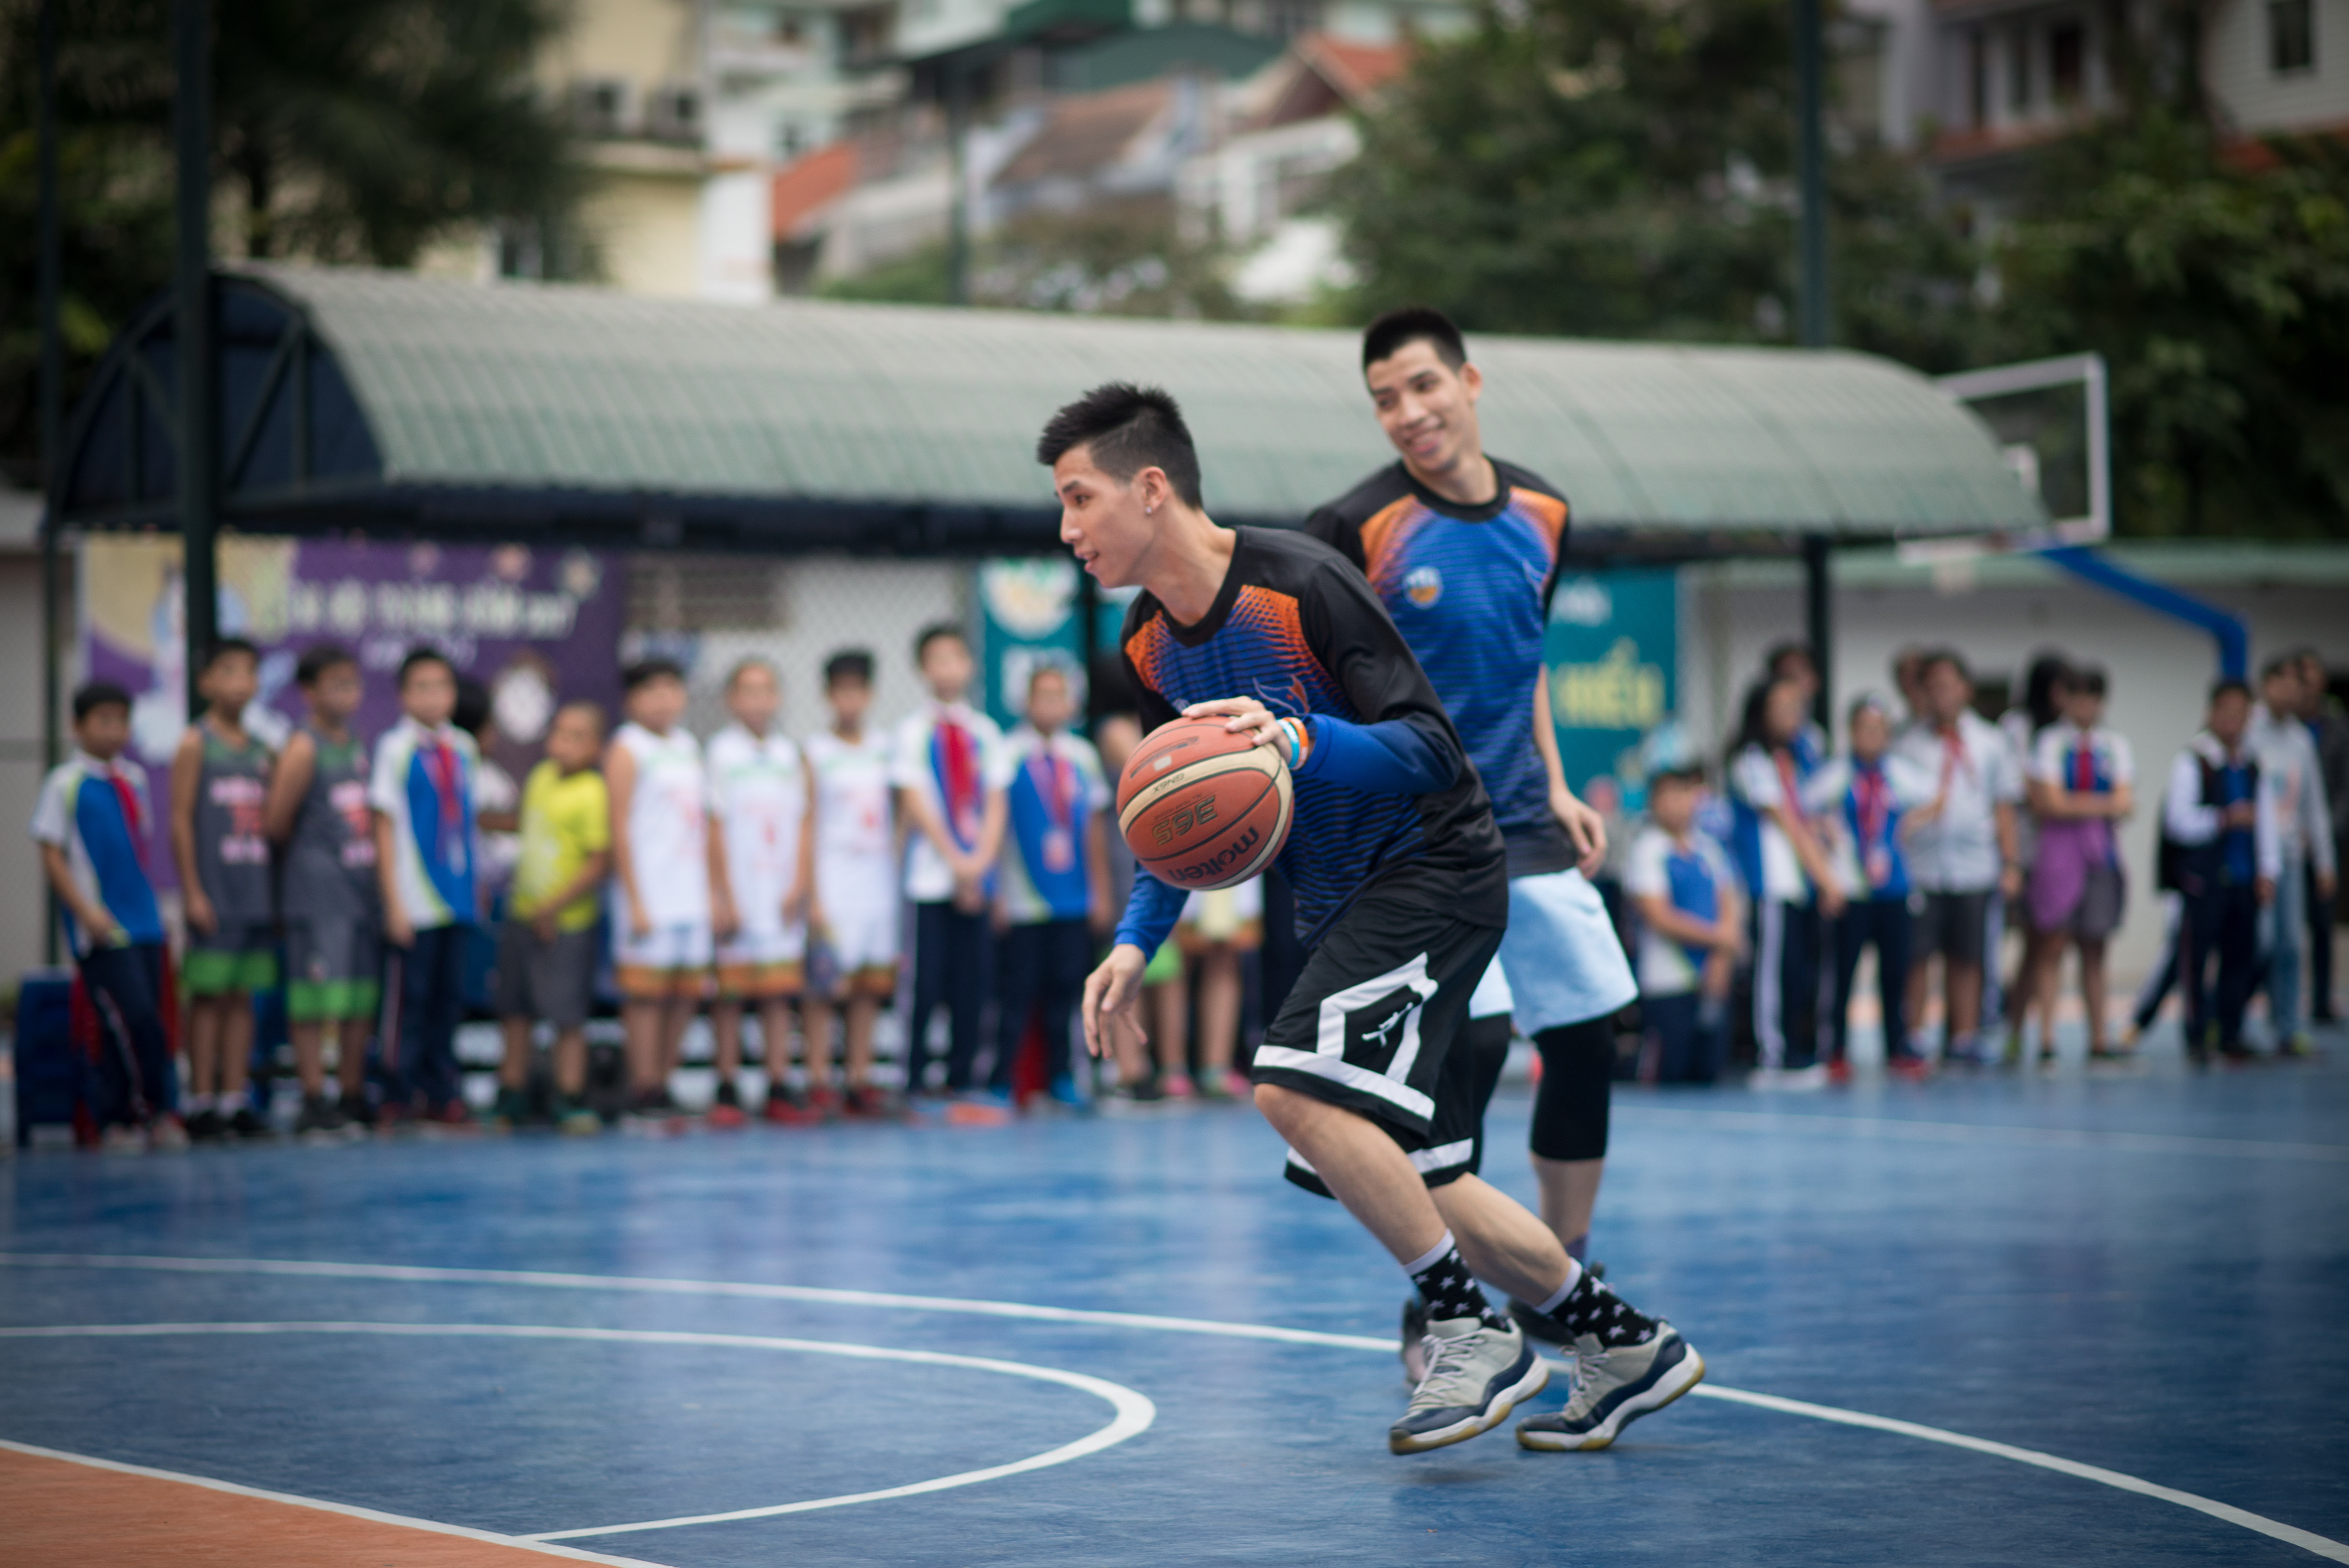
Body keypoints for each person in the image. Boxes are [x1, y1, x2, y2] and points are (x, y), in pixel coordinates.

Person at [1048, 381, 1699, 1457]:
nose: (1067, 530)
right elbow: (1176, 814)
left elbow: (1430, 752)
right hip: (1347, 896)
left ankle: (1463, 1326)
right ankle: (1623, 1342)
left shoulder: (1302, 585)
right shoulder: (1149, 643)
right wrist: (1133, 938)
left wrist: (1299, 740)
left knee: (1285, 1088)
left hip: (1433, 867)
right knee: (1426, 1170)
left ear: (1149, 488)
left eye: (1079, 500)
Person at [1305, 306, 1646, 1322]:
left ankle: (1559, 1274)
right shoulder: (1354, 526)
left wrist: (1553, 781)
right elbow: (1324, 689)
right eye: (1384, 400)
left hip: (1525, 823)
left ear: (1469, 383)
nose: (1407, 413)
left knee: (1586, 1034)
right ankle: (1442, 1301)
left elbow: (1523, 655)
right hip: (1419, 835)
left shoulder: (1543, 507)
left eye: (1422, 387)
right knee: (1476, 1048)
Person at [33, 683, 186, 1151]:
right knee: (125, 1020)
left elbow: (136, 853)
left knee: (153, 1021)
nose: (114, 730)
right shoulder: (64, 783)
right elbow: (52, 853)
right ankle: (120, 1116)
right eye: (103, 720)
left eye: (122, 720)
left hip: (146, 924)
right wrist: (86, 912)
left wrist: (158, 912)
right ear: (77, 727)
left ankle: (158, 1113)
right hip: (103, 929)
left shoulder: (135, 779)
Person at [891, 623, 1012, 1105]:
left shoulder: (984, 732)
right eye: (936, 660)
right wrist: (956, 861)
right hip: (930, 878)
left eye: (955, 658)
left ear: (968, 665)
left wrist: (979, 862)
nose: (946, 669)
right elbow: (916, 800)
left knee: (972, 982)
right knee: (926, 982)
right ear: (923, 669)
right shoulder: (912, 732)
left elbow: (996, 801)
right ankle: (915, 1078)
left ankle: (964, 1078)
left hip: (974, 877)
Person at [262, 645, 379, 1137]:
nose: (347, 693)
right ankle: (314, 1096)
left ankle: (350, 1094)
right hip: (316, 892)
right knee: (314, 998)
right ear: (309, 692)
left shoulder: (354, 743)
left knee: (356, 996)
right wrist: (309, 868)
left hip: (359, 890)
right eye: (335, 684)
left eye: (352, 683)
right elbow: (274, 822)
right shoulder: (303, 746)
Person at [169, 638, 277, 1141]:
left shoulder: (263, 750)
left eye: (249, 672)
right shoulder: (196, 743)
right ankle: (201, 1100)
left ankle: (236, 1099)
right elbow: (180, 820)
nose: (241, 682)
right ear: (206, 681)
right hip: (215, 893)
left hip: (254, 890)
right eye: (228, 671)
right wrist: (192, 890)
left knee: (242, 997)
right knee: (208, 996)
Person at [370, 646, 482, 1125]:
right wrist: (393, 902)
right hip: (414, 901)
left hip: (456, 896)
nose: (433, 697)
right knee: (407, 1001)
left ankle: (441, 1091)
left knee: (448, 998)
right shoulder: (394, 749)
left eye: (442, 687)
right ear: (402, 695)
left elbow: (467, 823)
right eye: (422, 687)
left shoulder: (463, 748)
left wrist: (474, 884)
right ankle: (395, 1090)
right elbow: (383, 826)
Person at [1893, 651, 2023, 1066]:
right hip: (1922, 869)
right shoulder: (1908, 743)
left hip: (1974, 867)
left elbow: (2003, 805)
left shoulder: (1990, 742)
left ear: (1965, 689)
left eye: (1949, 684)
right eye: (1933, 686)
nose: (1941, 694)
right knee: (1917, 955)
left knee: (1967, 955)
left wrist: (2010, 862)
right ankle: (1913, 1035)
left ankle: (1963, 1035)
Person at [993, 663, 1113, 1109]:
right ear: (1026, 702)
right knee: (1018, 991)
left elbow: (1094, 829)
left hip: (1073, 897)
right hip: (1024, 899)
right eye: (1040, 695)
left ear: (1069, 704)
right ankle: (1003, 1079)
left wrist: (1099, 890)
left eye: (1056, 695)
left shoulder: (1080, 756)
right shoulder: (1007, 754)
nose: (1049, 704)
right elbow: (998, 826)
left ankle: (1062, 1076)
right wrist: (998, 893)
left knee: (1067, 989)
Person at [1802, 693, 1935, 1079]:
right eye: (1863, 729)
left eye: (1878, 730)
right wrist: (1826, 834)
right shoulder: (1837, 773)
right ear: (1850, 732)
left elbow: (1935, 796)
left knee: (1894, 972)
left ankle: (1897, 1044)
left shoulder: (1899, 772)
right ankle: (1836, 1048)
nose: (1871, 736)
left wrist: (1912, 823)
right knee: (1841, 972)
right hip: (1851, 890)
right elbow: (1805, 809)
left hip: (1893, 888)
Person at [707, 659, 815, 1125]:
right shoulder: (720, 753)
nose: (757, 700)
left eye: (766, 689)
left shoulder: (789, 755)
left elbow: (804, 821)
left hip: (780, 890)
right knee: (730, 995)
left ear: (778, 698)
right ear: (731, 699)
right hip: (739, 889)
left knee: (778, 993)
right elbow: (712, 825)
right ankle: (727, 1085)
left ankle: (778, 1082)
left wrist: (799, 882)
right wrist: (722, 894)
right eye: (747, 690)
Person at [495, 701, 611, 1134]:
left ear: (596, 748)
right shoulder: (541, 778)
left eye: (577, 736)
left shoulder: (593, 793)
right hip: (522, 917)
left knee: (567, 1015)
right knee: (515, 1010)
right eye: (559, 733)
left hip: (566, 925)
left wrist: (553, 908)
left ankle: (570, 1095)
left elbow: (599, 862)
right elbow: (527, 831)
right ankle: (512, 1094)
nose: (563, 743)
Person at [605, 657, 712, 1121]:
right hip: (648, 892)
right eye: (652, 689)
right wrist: (634, 898)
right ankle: (642, 1084)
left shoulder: (689, 746)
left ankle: (665, 1080)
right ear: (632, 699)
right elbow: (618, 824)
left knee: (684, 992)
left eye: (672, 688)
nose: (664, 699)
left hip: (690, 890)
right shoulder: (627, 748)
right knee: (646, 995)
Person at [1727, 677, 1845, 1082]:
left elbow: (1810, 814)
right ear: (1760, 713)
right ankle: (1768, 1053)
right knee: (1770, 973)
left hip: (1800, 886)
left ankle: (1797, 1048)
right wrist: (1827, 878)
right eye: (1781, 707)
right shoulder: (1750, 762)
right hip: (1770, 886)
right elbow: (1788, 823)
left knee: (1798, 970)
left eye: (1797, 707)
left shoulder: (1802, 759)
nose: (1792, 716)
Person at [803, 650, 900, 1118]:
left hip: (876, 881)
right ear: (828, 697)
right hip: (833, 879)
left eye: (857, 691)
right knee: (826, 987)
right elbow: (807, 822)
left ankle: (860, 1078)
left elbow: (898, 814)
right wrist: (814, 895)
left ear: (869, 695)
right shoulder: (815, 752)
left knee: (867, 986)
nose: (850, 700)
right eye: (840, 691)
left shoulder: (886, 748)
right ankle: (820, 1079)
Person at [2161, 680, 2277, 1063]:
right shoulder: (2194, 761)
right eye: (2225, 711)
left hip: (2244, 877)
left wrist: (2267, 870)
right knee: (2197, 960)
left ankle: (2231, 1032)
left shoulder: (2253, 763)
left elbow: (2266, 823)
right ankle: (2197, 1036)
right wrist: (2225, 819)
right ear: (2210, 712)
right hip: (2205, 880)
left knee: (2243, 957)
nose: (2232, 720)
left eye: (2240, 713)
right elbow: (2179, 822)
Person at [2023, 667, 2134, 1063]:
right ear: (2063, 699)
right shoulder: (2048, 743)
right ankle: (2048, 1038)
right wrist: (2100, 803)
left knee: (2094, 946)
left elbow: (2126, 802)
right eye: (2077, 696)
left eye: (2092, 698)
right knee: (2051, 944)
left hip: (2099, 853)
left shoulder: (2113, 745)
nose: (2084, 706)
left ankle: (2097, 1038)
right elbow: (2049, 803)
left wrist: (2072, 803)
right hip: (2056, 854)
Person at [1625, 764, 1744, 1084]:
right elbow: (1659, 916)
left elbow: (1729, 905)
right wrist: (1720, 939)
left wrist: (1722, 958)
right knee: (1668, 1074)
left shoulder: (1710, 849)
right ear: (1653, 803)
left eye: (1683, 796)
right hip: (1668, 984)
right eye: (1667, 797)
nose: (1677, 804)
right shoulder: (1648, 849)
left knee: (1709, 1073)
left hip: (1711, 981)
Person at [2250, 655, 2336, 1057]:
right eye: (2282, 683)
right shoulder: (2248, 732)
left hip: (2291, 856)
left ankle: (2289, 1028)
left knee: (2290, 944)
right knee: (2259, 942)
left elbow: (2313, 803)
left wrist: (2324, 860)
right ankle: (2237, 1018)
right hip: (2253, 859)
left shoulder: (2301, 739)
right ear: (2266, 685)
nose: (2291, 693)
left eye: (2296, 686)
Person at [1087, 709, 1172, 1105]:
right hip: (1127, 870)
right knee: (1122, 971)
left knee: (1164, 971)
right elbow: (1147, 764)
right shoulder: (1115, 729)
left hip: (1163, 863)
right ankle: (1128, 1068)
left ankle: (1164, 1067)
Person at [1998, 653, 2074, 1059]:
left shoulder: (2067, 731)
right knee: (2025, 944)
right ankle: (2011, 1028)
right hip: (2024, 851)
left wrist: (2060, 801)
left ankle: (2042, 1034)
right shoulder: (2015, 726)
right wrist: (2050, 798)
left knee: (2047, 946)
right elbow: (2023, 789)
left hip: (2060, 854)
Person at [2294, 649, 2345, 1023]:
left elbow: (2345, 788)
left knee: (2322, 925)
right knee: (2283, 932)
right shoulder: (2286, 728)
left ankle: (2322, 1001)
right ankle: (2280, 1004)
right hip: (2287, 843)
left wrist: (2326, 831)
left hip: (2328, 840)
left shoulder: (2338, 727)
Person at [1173, 881, 1260, 1102]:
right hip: (1176, 859)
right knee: (1177, 957)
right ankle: (1174, 1068)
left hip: (1234, 861)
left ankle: (1217, 1068)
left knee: (1226, 954)